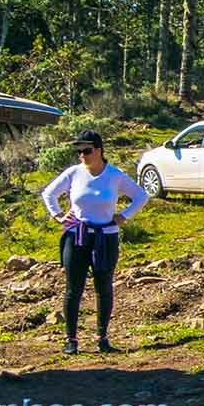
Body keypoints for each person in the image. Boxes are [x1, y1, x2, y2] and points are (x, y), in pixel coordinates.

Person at [41, 129, 149, 355]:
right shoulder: (73, 173)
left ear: (99, 150)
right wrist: (58, 215)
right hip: (77, 235)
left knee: (104, 287)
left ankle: (103, 337)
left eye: (87, 150)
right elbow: (48, 193)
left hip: (106, 237)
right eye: (79, 151)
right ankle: (71, 340)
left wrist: (124, 216)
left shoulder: (114, 175)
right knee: (73, 288)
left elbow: (141, 195)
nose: (82, 155)